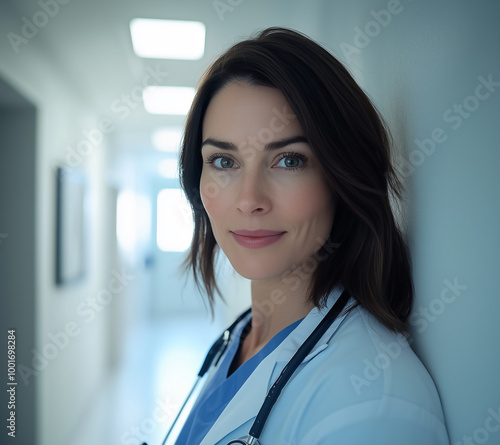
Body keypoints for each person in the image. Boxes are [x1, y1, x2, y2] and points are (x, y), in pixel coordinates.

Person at [176, 27, 450, 445]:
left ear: (342, 176)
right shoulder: (244, 338)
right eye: (223, 161)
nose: (249, 200)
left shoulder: (371, 403)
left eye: (289, 160)